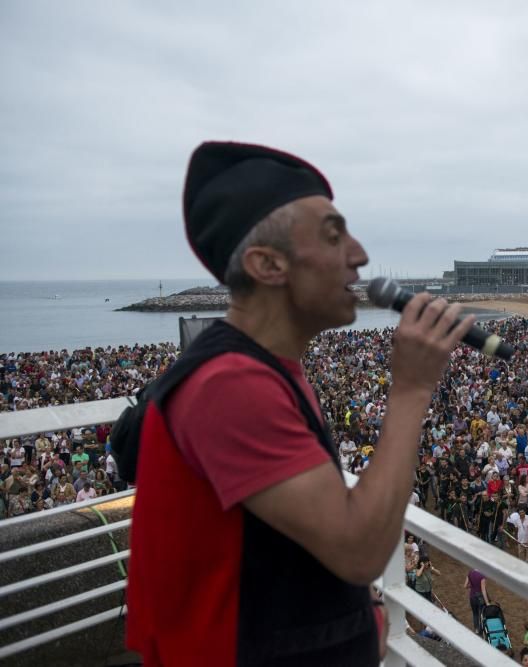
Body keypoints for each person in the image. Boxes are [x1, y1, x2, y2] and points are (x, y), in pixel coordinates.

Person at [125, 142, 477, 665]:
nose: (359, 255)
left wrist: (362, 615)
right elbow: (359, 551)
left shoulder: (264, 368)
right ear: (267, 265)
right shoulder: (230, 386)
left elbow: (287, 546)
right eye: (334, 236)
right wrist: (411, 389)